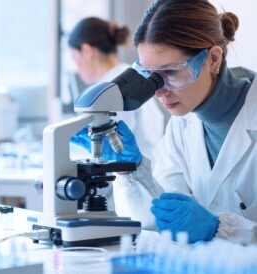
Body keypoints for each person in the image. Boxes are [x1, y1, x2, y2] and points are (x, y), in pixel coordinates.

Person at [71, 0, 257, 244]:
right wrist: (133, 171)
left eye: (170, 73)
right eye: (151, 77)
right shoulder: (182, 125)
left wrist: (222, 228)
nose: (159, 91)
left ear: (212, 59)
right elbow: (161, 220)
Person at [68, 17, 170, 209]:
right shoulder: (119, 83)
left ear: (87, 51)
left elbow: (113, 146)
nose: (76, 68)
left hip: (135, 188)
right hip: (137, 184)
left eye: (75, 58)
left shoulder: (115, 92)